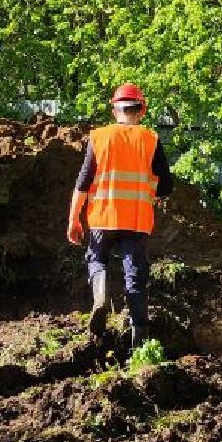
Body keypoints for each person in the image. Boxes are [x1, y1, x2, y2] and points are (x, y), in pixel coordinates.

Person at [68, 83, 173, 351]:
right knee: (135, 275)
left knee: (96, 258)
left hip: (102, 217)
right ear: (142, 110)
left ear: (115, 110)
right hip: (136, 220)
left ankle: (101, 293)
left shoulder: (99, 138)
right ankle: (139, 340)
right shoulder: (150, 140)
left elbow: (82, 182)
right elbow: (166, 186)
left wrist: (74, 219)